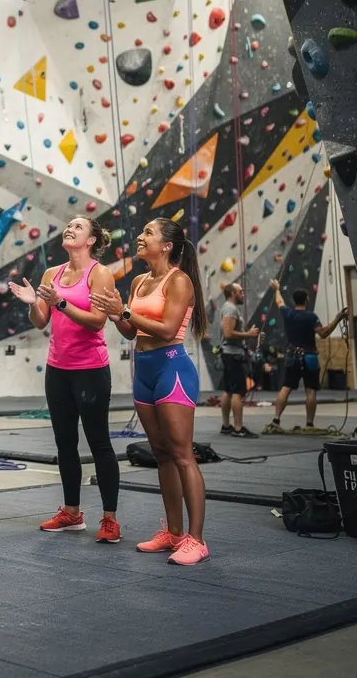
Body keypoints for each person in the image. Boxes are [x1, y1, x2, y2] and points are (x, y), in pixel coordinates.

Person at [90, 217, 209, 566]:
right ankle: (173, 532)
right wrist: (116, 313)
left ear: (167, 245)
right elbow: (131, 332)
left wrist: (124, 311)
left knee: (182, 454)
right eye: (141, 232)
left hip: (172, 369)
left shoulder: (180, 281)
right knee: (160, 453)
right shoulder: (140, 281)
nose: (140, 238)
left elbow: (169, 327)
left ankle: (196, 539)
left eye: (148, 234)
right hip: (143, 370)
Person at [9, 217, 121, 543]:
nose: (69, 229)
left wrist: (60, 301)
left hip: (91, 369)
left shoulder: (99, 273)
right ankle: (72, 513)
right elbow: (41, 321)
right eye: (68, 225)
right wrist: (34, 305)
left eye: (78, 227)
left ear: (91, 240)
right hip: (57, 369)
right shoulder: (51, 274)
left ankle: (110, 520)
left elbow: (97, 322)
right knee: (64, 444)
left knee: (99, 443)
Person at [264, 280, 346, 434]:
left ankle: (276, 420)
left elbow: (279, 301)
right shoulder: (311, 317)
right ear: (307, 299)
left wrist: (277, 289)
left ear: (295, 301)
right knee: (310, 390)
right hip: (309, 357)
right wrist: (338, 318)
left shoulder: (288, 313)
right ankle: (309, 424)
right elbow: (323, 333)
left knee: (286, 387)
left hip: (292, 356)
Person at [216, 283, 260, 438]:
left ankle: (226, 426)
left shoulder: (229, 308)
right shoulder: (230, 309)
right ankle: (238, 428)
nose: (243, 294)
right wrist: (248, 334)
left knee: (228, 390)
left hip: (230, 354)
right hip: (233, 355)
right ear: (233, 293)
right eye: (241, 292)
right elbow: (228, 334)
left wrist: (249, 334)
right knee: (238, 391)